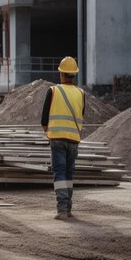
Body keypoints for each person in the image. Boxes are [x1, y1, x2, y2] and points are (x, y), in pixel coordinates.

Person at [41, 57, 85, 220]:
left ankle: (62, 210)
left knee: (59, 173)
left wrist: (48, 132)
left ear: (61, 74)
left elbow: (43, 119)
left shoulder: (53, 91)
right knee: (68, 174)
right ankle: (69, 208)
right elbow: (81, 115)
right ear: (74, 75)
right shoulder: (81, 93)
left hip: (57, 140)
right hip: (74, 139)